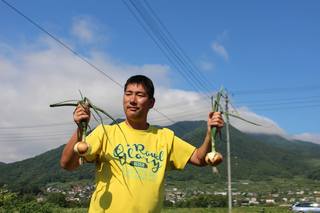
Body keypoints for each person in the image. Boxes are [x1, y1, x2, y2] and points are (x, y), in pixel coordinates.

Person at [60, 75, 224, 213]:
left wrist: (210, 133)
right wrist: (80, 128)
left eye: (140, 95)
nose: (132, 100)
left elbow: (200, 159)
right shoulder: (105, 133)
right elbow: (68, 164)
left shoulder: (164, 137)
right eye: (128, 93)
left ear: (152, 102)